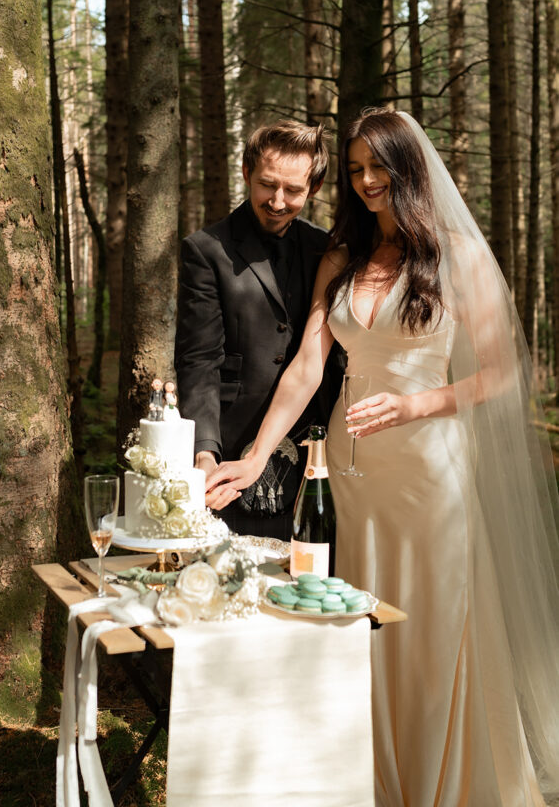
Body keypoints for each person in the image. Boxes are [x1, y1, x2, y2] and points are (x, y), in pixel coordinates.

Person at [206, 108, 559, 806]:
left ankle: (445, 782)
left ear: (410, 167)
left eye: (379, 166)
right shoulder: (343, 256)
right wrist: (251, 458)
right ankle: (374, 782)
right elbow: (308, 364)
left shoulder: (457, 254)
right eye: (357, 168)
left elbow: (504, 375)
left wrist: (415, 405)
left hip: (431, 469)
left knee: (432, 622)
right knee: (360, 622)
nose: (367, 181)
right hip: (353, 474)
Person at [175, 119, 344, 540]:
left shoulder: (329, 250)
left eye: (294, 190)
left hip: (321, 452)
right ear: (246, 173)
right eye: (268, 184)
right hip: (235, 448)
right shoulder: (206, 251)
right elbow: (199, 362)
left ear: (315, 188)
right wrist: (204, 453)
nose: (278, 201)